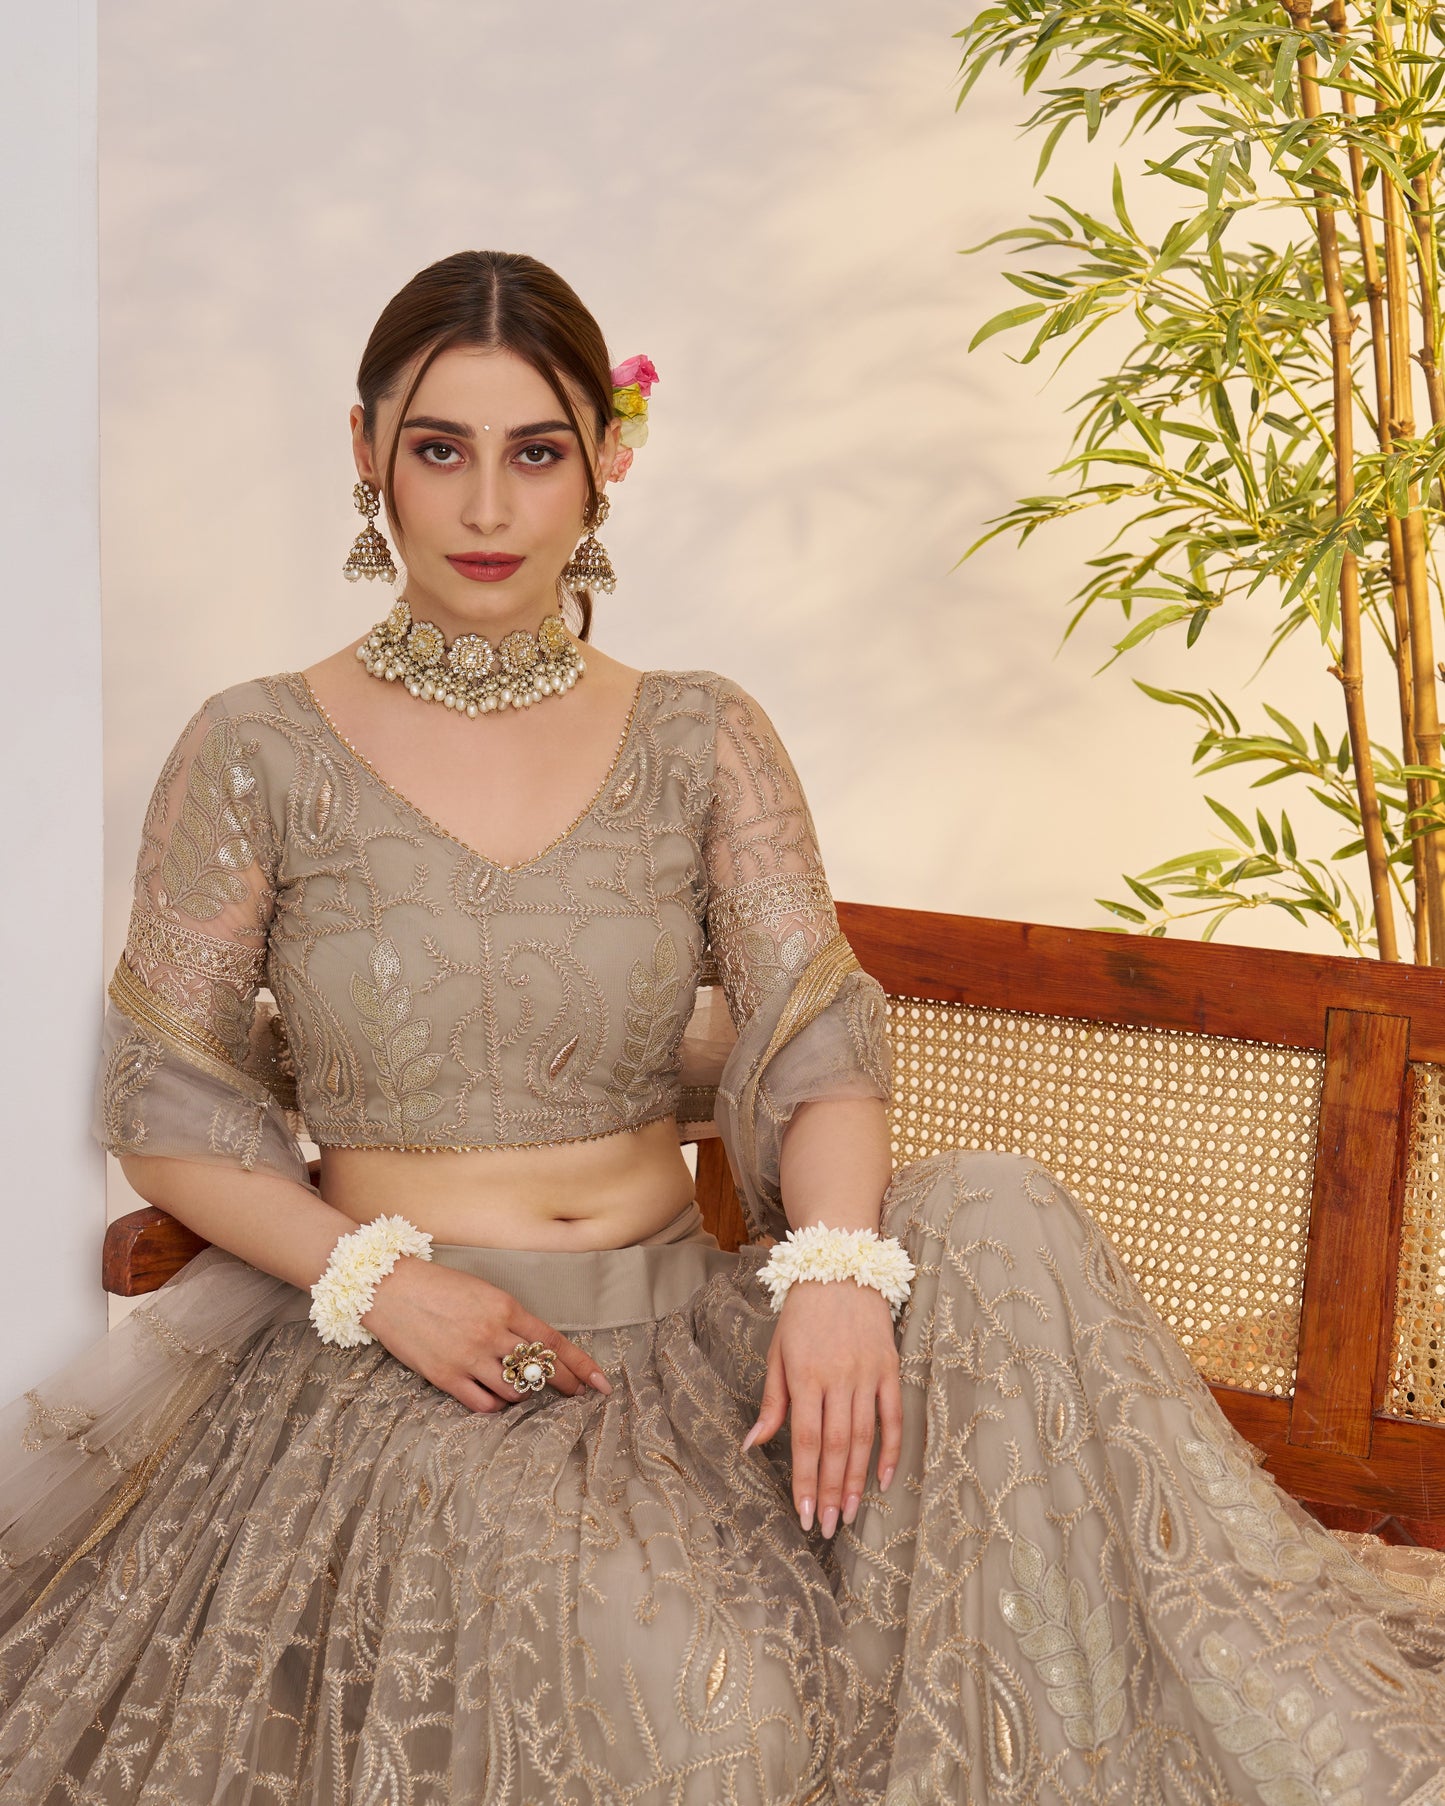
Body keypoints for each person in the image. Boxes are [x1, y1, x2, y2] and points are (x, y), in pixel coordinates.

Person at [1, 249, 1444, 1806]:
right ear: (366, 454)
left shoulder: (699, 731)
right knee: (725, 1727)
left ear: (607, 461)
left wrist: (830, 1274)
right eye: (441, 450)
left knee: (997, 1216)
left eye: (536, 452)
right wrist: (385, 1284)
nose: (488, 508)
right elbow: (171, 1102)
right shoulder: (254, 746)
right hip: (422, 1370)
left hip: (685, 1343)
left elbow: (813, 1044)